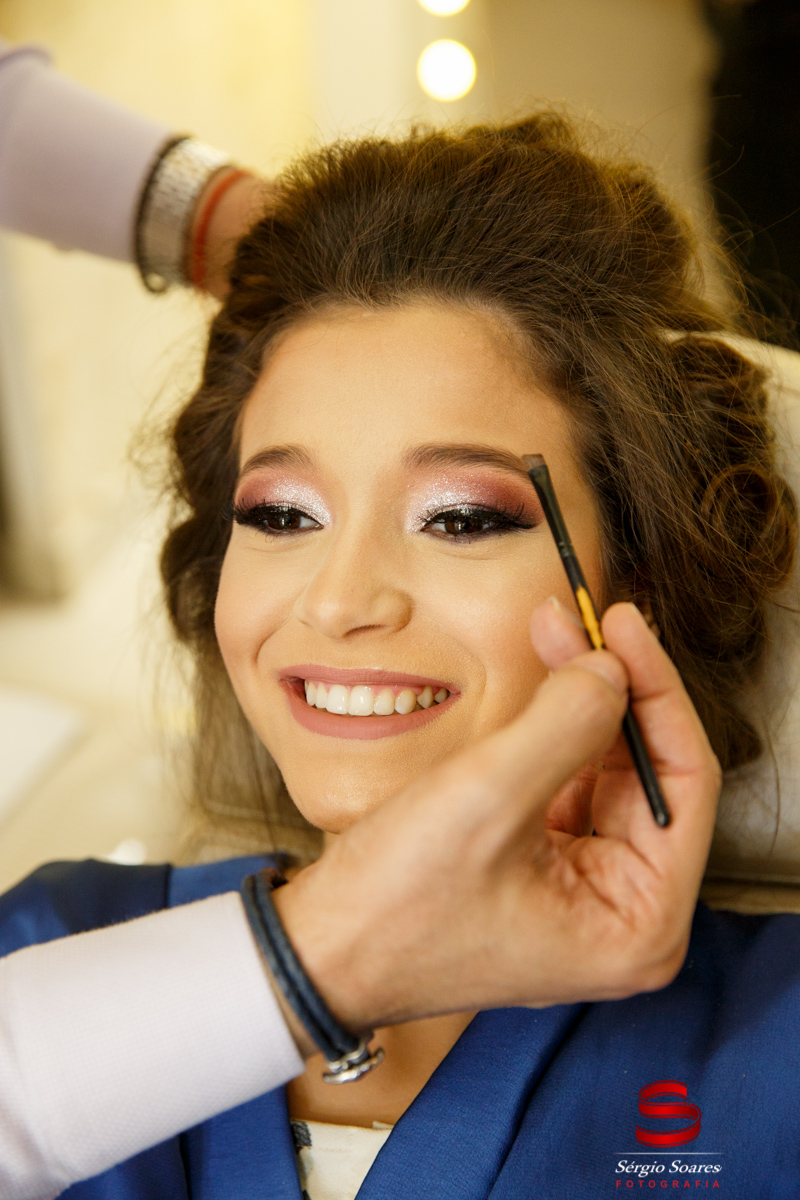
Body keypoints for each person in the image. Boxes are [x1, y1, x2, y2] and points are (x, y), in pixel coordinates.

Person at [3, 110, 797, 1198]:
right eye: (281, 514)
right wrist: (322, 957)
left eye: (460, 518)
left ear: (634, 590)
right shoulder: (50, 940)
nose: (336, 601)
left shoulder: (777, 1043)